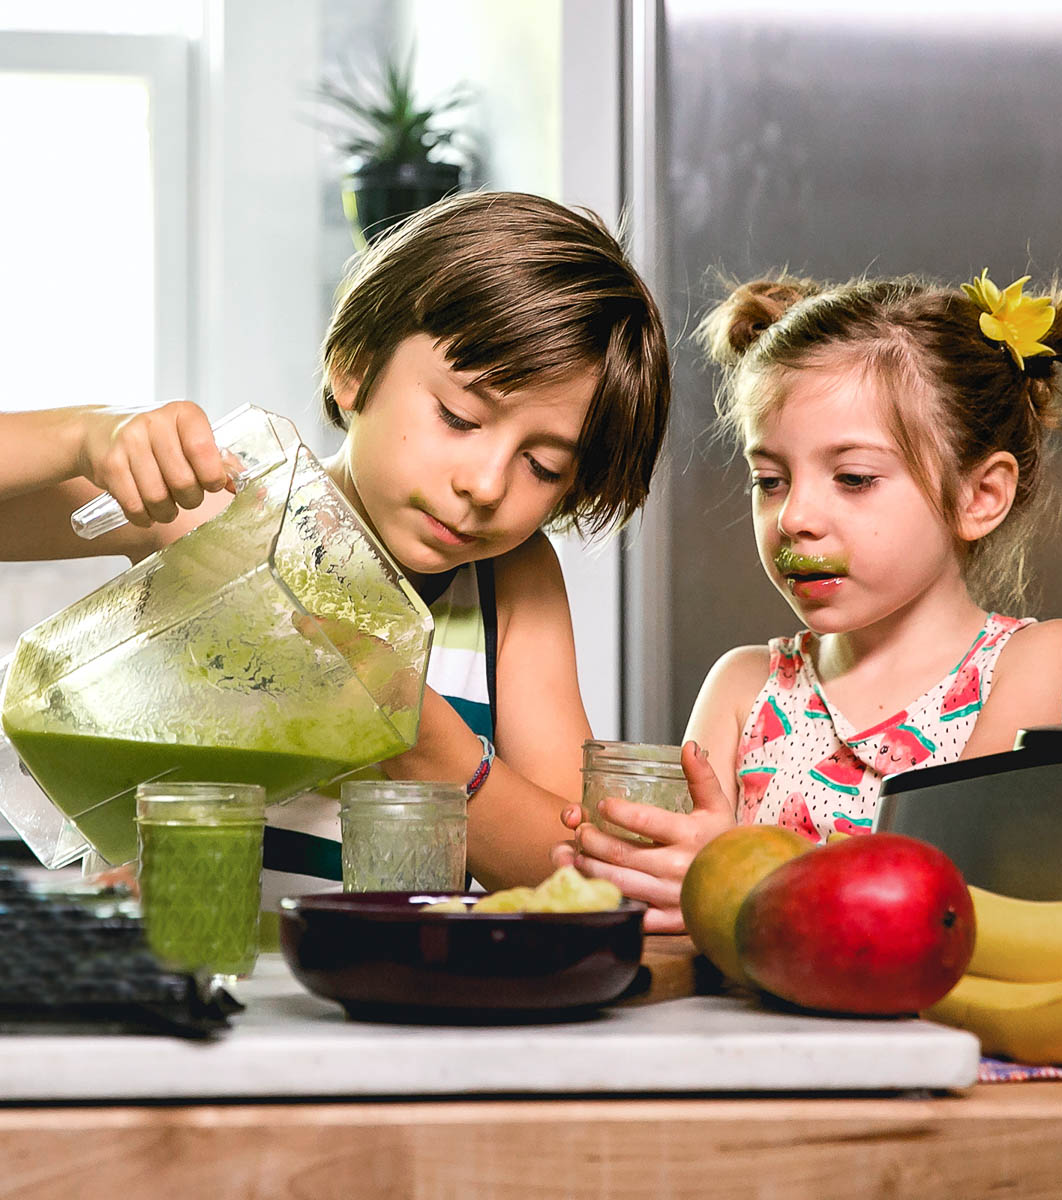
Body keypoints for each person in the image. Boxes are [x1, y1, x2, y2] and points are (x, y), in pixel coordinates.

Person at [0, 190, 671, 896]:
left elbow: (570, 864)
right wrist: (86, 436)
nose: (485, 483)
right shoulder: (226, 512)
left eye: (543, 466)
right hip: (210, 991)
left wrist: (419, 738)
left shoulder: (514, 582)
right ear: (355, 367)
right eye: (460, 416)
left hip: (413, 996)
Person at [555, 266, 1062, 931]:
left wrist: (736, 869)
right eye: (769, 480)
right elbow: (682, 906)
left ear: (980, 497)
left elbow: (951, 893)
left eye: (853, 478)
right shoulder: (743, 689)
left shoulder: (1044, 664)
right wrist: (623, 874)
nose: (794, 515)